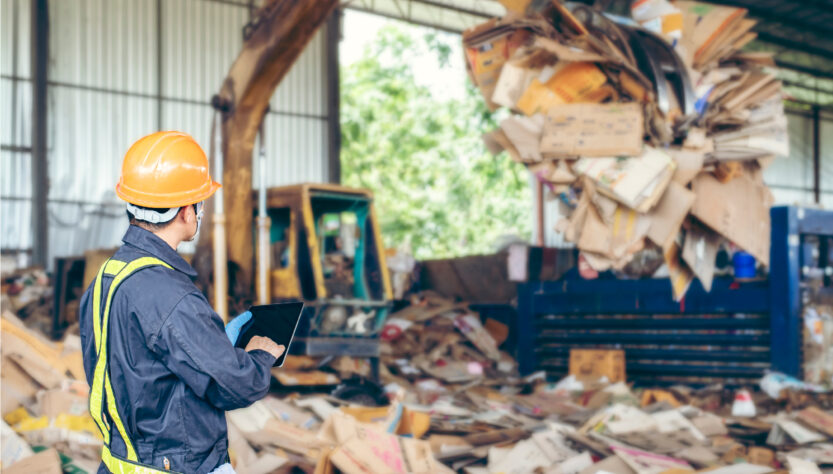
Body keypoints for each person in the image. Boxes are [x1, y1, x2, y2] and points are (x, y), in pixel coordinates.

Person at [79, 131, 283, 474]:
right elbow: (234, 386)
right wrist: (259, 356)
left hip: (120, 462)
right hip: (178, 465)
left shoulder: (107, 277)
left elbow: (141, 365)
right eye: (200, 202)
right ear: (188, 211)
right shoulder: (173, 295)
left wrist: (211, 345)